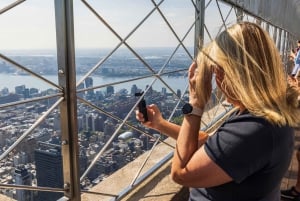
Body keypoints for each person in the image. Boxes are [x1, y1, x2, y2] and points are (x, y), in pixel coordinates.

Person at [136, 22, 300, 201]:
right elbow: (209, 143)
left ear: (236, 72)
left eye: (218, 70)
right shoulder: (265, 113)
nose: (216, 79)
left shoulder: (254, 129)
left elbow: (180, 173)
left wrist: (195, 105)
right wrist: (160, 124)